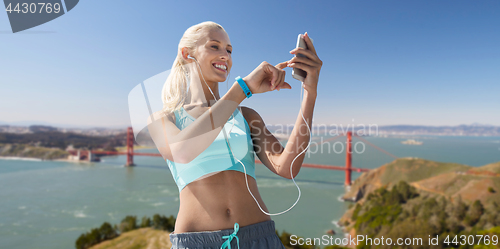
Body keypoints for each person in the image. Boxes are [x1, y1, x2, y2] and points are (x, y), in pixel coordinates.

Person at [147, 21, 322, 249]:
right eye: (215, 46)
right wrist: (243, 88)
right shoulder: (164, 118)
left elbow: (287, 167)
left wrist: (310, 91)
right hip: (196, 244)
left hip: (260, 239)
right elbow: (182, 151)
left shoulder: (247, 116)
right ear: (187, 54)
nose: (225, 56)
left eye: (229, 50)